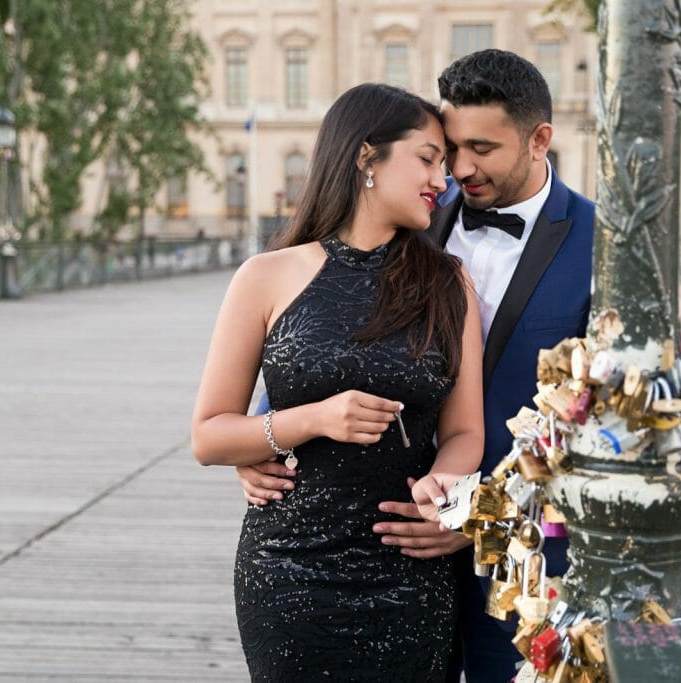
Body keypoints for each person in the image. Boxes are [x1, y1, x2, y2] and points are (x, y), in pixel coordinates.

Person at [237, 50, 595, 681]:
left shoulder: (607, 247)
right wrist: (262, 444)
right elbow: (318, 333)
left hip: (529, 564)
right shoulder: (412, 216)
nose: (458, 168)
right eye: (447, 149)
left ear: (541, 139)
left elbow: (627, 426)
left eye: (480, 148)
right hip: (375, 546)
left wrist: (478, 516)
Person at [191, 83, 484, 681]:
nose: (443, 179)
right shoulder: (265, 277)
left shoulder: (450, 283)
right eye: (428, 159)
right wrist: (312, 421)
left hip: (409, 574)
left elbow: (465, 432)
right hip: (288, 575)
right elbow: (208, 436)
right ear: (366, 156)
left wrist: (446, 489)